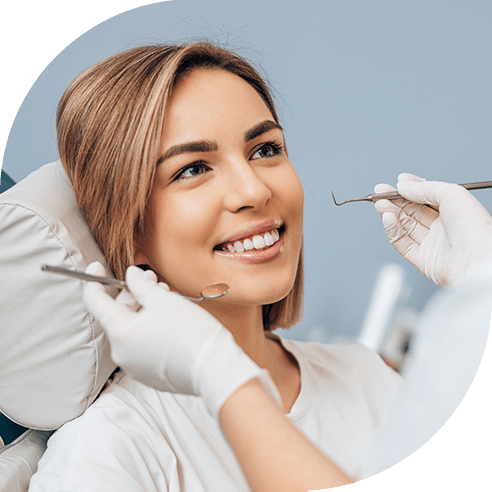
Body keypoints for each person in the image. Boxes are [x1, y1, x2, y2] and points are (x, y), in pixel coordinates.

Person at [29, 41, 492, 490]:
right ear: (129, 230)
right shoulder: (110, 453)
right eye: (193, 168)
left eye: (266, 149)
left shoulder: (365, 376)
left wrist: (480, 284)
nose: (254, 191)